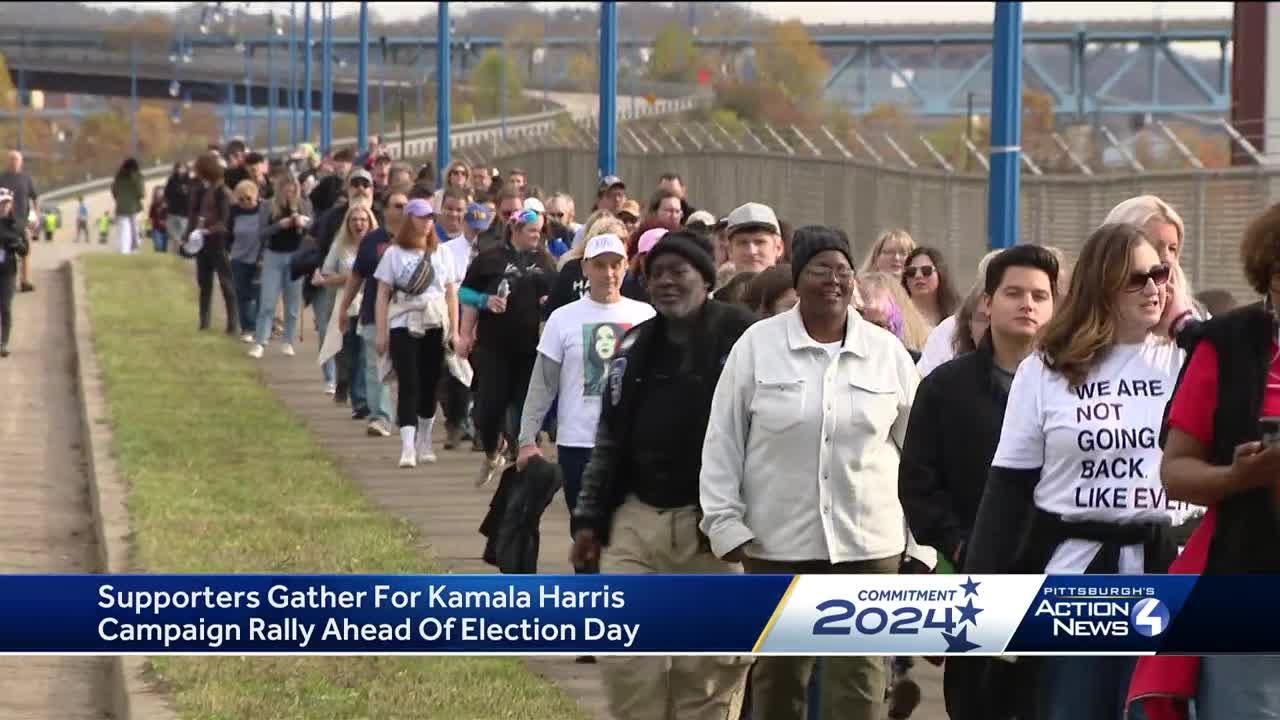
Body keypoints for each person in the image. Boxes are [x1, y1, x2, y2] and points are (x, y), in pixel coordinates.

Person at [967, 223, 1198, 719]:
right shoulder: (1045, 368)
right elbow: (1007, 491)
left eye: (1160, 274)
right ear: (1102, 285)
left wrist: (1187, 324)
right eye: (1137, 278)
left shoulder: (1184, 359)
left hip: (1165, 567)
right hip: (1074, 574)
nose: (1154, 287)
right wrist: (984, 599)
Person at [701, 226, 918, 720]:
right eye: (822, 269)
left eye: (844, 270)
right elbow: (723, 441)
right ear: (798, 278)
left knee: (860, 687)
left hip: (868, 548)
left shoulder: (887, 355)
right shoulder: (758, 346)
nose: (835, 280)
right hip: (778, 547)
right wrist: (724, 523)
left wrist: (919, 543)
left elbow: (920, 455)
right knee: (778, 687)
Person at [571, 229, 754, 720]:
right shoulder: (634, 345)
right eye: (655, 274)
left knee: (707, 673)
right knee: (628, 661)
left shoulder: (743, 338)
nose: (666, 283)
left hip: (716, 533)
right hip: (637, 523)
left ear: (706, 279)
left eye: (679, 272)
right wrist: (588, 520)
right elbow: (608, 439)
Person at [899, 245, 1059, 720]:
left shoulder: (1072, 387)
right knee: (975, 705)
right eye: (1013, 292)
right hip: (972, 582)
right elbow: (918, 483)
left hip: (1056, 579)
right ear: (987, 302)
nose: (1027, 304)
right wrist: (959, 544)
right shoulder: (945, 387)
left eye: (1039, 295)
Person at [1150, 203, 1280, 718]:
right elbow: (1176, 471)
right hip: (1246, 579)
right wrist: (1236, 476)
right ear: (1270, 273)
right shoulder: (1227, 343)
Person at [517, 233, 655, 557]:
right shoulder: (563, 319)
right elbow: (543, 384)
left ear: (626, 268)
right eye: (600, 265)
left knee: (627, 529)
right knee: (585, 530)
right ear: (585, 269)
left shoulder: (646, 316)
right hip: (578, 443)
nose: (608, 273)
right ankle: (589, 594)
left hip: (630, 444)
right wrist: (526, 439)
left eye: (616, 265)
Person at [458, 202, 558, 486]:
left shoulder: (545, 261)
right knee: (488, 411)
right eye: (531, 231)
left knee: (524, 413)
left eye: (539, 231)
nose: (536, 236)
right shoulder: (490, 259)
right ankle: (492, 451)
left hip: (530, 350)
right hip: (493, 348)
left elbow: (557, 299)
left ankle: (522, 472)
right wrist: (484, 302)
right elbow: (464, 292)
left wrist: (546, 304)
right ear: (514, 228)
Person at [374, 198, 461, 468]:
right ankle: (408, 446)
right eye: (422, 217)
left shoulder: (442, 253)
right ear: (410, 219)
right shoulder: (394, 253)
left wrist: (455, 330)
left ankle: (424, 441)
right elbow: (382, 294)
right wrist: (381, 332)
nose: (427, 222)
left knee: (430, 383)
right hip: (403, 322)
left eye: (430, 218)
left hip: (435, 322)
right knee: (408, 382)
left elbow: (451, 294)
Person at [336, 187, 409, 436]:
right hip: (372, 313)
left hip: (409, 315)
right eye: (397, 205)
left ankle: (407, 417)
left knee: (406, 368)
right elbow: (357, 276)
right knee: (375, 365)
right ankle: (381, 417)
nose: (402, 210)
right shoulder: (372, 240)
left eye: (405, 205)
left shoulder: (420, 238)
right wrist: (344, 308)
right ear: (386, 209)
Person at [318, 202, 377, 414]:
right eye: (354, 220)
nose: (359, 223)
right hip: (348, 306)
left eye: (363, 220)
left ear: (370, 222)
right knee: (350, 354)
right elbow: (326, 274)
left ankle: (363, 402)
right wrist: (352, 277)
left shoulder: (377, 245)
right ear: (348, 223)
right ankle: (354, 393)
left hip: (371, 304)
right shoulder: (340, 246)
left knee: (365, 356)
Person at [249, 175, 311, 359]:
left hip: (296, 256)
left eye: (293, 190)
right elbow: (261, 233)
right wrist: (279, 225)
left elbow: (314, 227)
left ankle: (288, 341)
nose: (289, 193)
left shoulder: (303, 204)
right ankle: (260, 341)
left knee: (292, 304)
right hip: (273, 256)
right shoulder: (268, 205)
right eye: (286, 189)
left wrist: (303, 222)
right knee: (267, 302)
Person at [185, 152, 238, 335]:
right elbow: (195, 213)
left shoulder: (222, 192)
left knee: (226, 283)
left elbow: (225, 221)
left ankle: (232, 323)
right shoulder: (203, 190)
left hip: (218, 242)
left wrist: (207, 230)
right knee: (204, 283)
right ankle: (204, 321)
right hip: (204, 242)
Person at [228, 180, 269, 343]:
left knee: (260, 294)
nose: (245, 202)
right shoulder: (234, 212)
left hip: (260, 258)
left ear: (256, 197)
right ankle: (247, 328)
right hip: (238, 258)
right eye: (240, 199)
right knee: (242, 293)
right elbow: (228, 232)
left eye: (248, 198)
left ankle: (261, 328)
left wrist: (264, 255)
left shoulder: (264, 210)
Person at [0, 188, 28, 357]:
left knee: (5, 306)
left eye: (6, 203)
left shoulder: (16, 226)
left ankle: (3, 343)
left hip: (8, 271)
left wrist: (17, 245)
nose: (4, 206)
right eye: (1, 203)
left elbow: (25, 252)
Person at [903, 246, 960, 328]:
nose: (918, 275)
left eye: (926, 270)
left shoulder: (958, 315)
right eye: (911, 272)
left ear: (940, 273)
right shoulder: (896, 315)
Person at [724, 202, 784, 274]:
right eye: (742, 243)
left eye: (760, 242)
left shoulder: (796, 285)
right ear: (730, 250)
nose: (751, 251)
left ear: (778, 248)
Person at [111, 157, 145, 254]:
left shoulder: (118, 177)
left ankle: (124, 251)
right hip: (135, 208)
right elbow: (142, 193)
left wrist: (120, 199)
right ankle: (134, 249)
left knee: (124, 231)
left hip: (121, 208)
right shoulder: (138, 177)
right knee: (135, 230)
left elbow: (114, 192)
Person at [147, 187, 169, 253]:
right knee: (158, 247)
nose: (159, 195)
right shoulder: (153, 206)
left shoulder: (167, 205)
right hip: (157, 229)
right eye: (157, 194)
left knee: (165, 248)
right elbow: (151, 218)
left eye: (160, 194)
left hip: (166, 230)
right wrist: (149, 228)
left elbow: (170, 216)